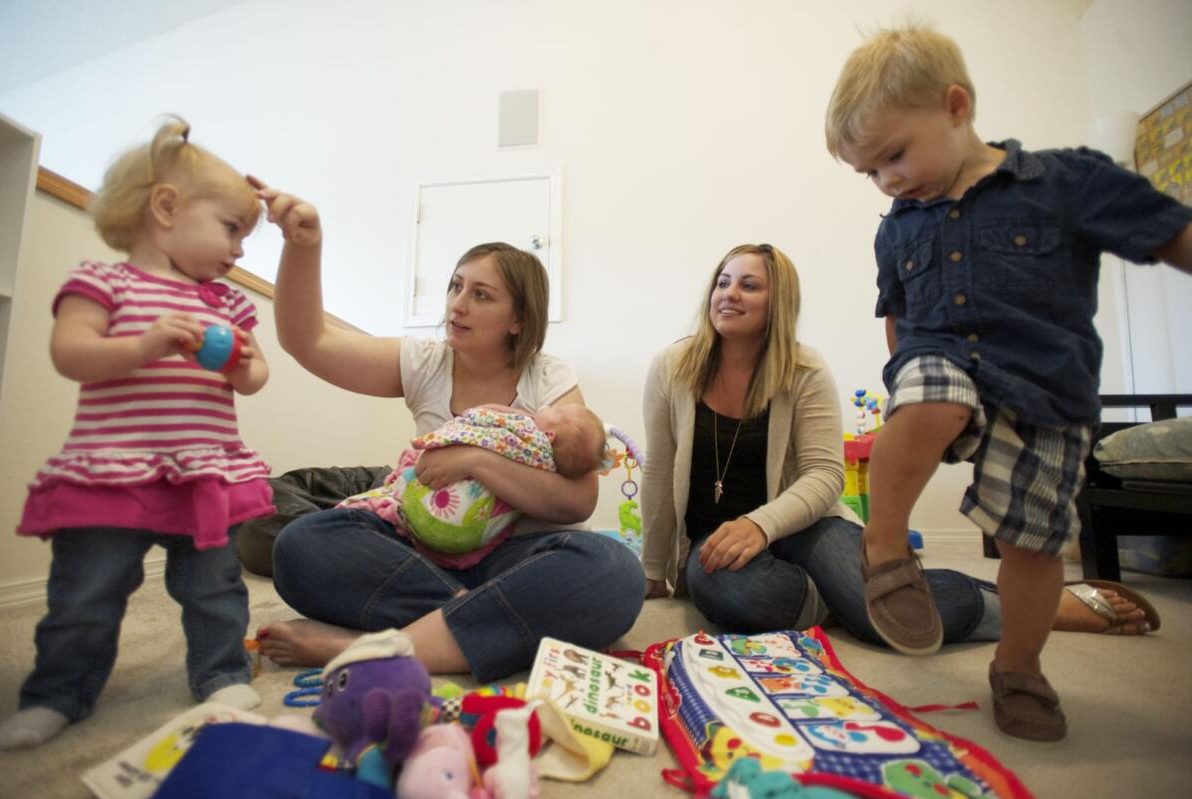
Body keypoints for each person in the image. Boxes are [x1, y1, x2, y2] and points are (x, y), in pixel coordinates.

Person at [825, 25, 1192, 740]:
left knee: (1033, 545)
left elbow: (1169, 230)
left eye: (894, 155)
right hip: (939, 362)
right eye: (870, 173)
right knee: (929, 390)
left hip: (1044, 389)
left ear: (956, 105)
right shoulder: (897, 226)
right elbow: (898, 316)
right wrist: (902, 382)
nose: (889, 181)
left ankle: (1019, 667)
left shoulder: (1067, 181)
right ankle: (887, 547)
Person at [639, 244, 1159, 663]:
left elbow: (824, 477)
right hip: (717, 544)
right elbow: (659, 473)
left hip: (803, 527)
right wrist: (654, 568)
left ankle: (1042, 608)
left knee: (881, 617)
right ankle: (848, 597)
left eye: (749, 284)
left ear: (779, 302)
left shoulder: (805, 370)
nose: (729, 294)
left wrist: (760, 525)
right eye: (723, 282)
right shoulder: (673, 366)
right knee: (729, 593)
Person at [249, 187, 644, 684]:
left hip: (514, 556)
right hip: (419, 551)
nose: (458, 305)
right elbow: (308, 342)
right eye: (456, 286)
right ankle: (477, 625)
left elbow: (578, 502)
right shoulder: (425, 362)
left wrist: (476, 462)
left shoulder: (549, 379)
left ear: (518, 319)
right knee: (301, 546)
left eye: (481, 295)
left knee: (613, 571)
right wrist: (304, 245)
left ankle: (376, 647)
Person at [0, 118, 274, 750]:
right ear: (166, 208)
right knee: (87, 590)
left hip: (204, 470)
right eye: (231, 228)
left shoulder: (225, 303)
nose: (240, 250)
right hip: (111, 471)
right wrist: (145, 345)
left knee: (215, 586)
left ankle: (221, 674)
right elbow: (71, 354)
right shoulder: (104, 281)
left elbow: (254, 378)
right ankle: (57, 694)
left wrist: (240, 363)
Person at [341, 402, 609, 569]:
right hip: (468, 538)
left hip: (505, 543)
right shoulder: (548, 456)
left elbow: (488, 415)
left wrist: (474, 460)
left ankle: (438, 607)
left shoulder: (527, 435)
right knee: (310, 536)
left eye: (558, 410)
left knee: (610, 563)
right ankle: (464, 609)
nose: (552, 405)